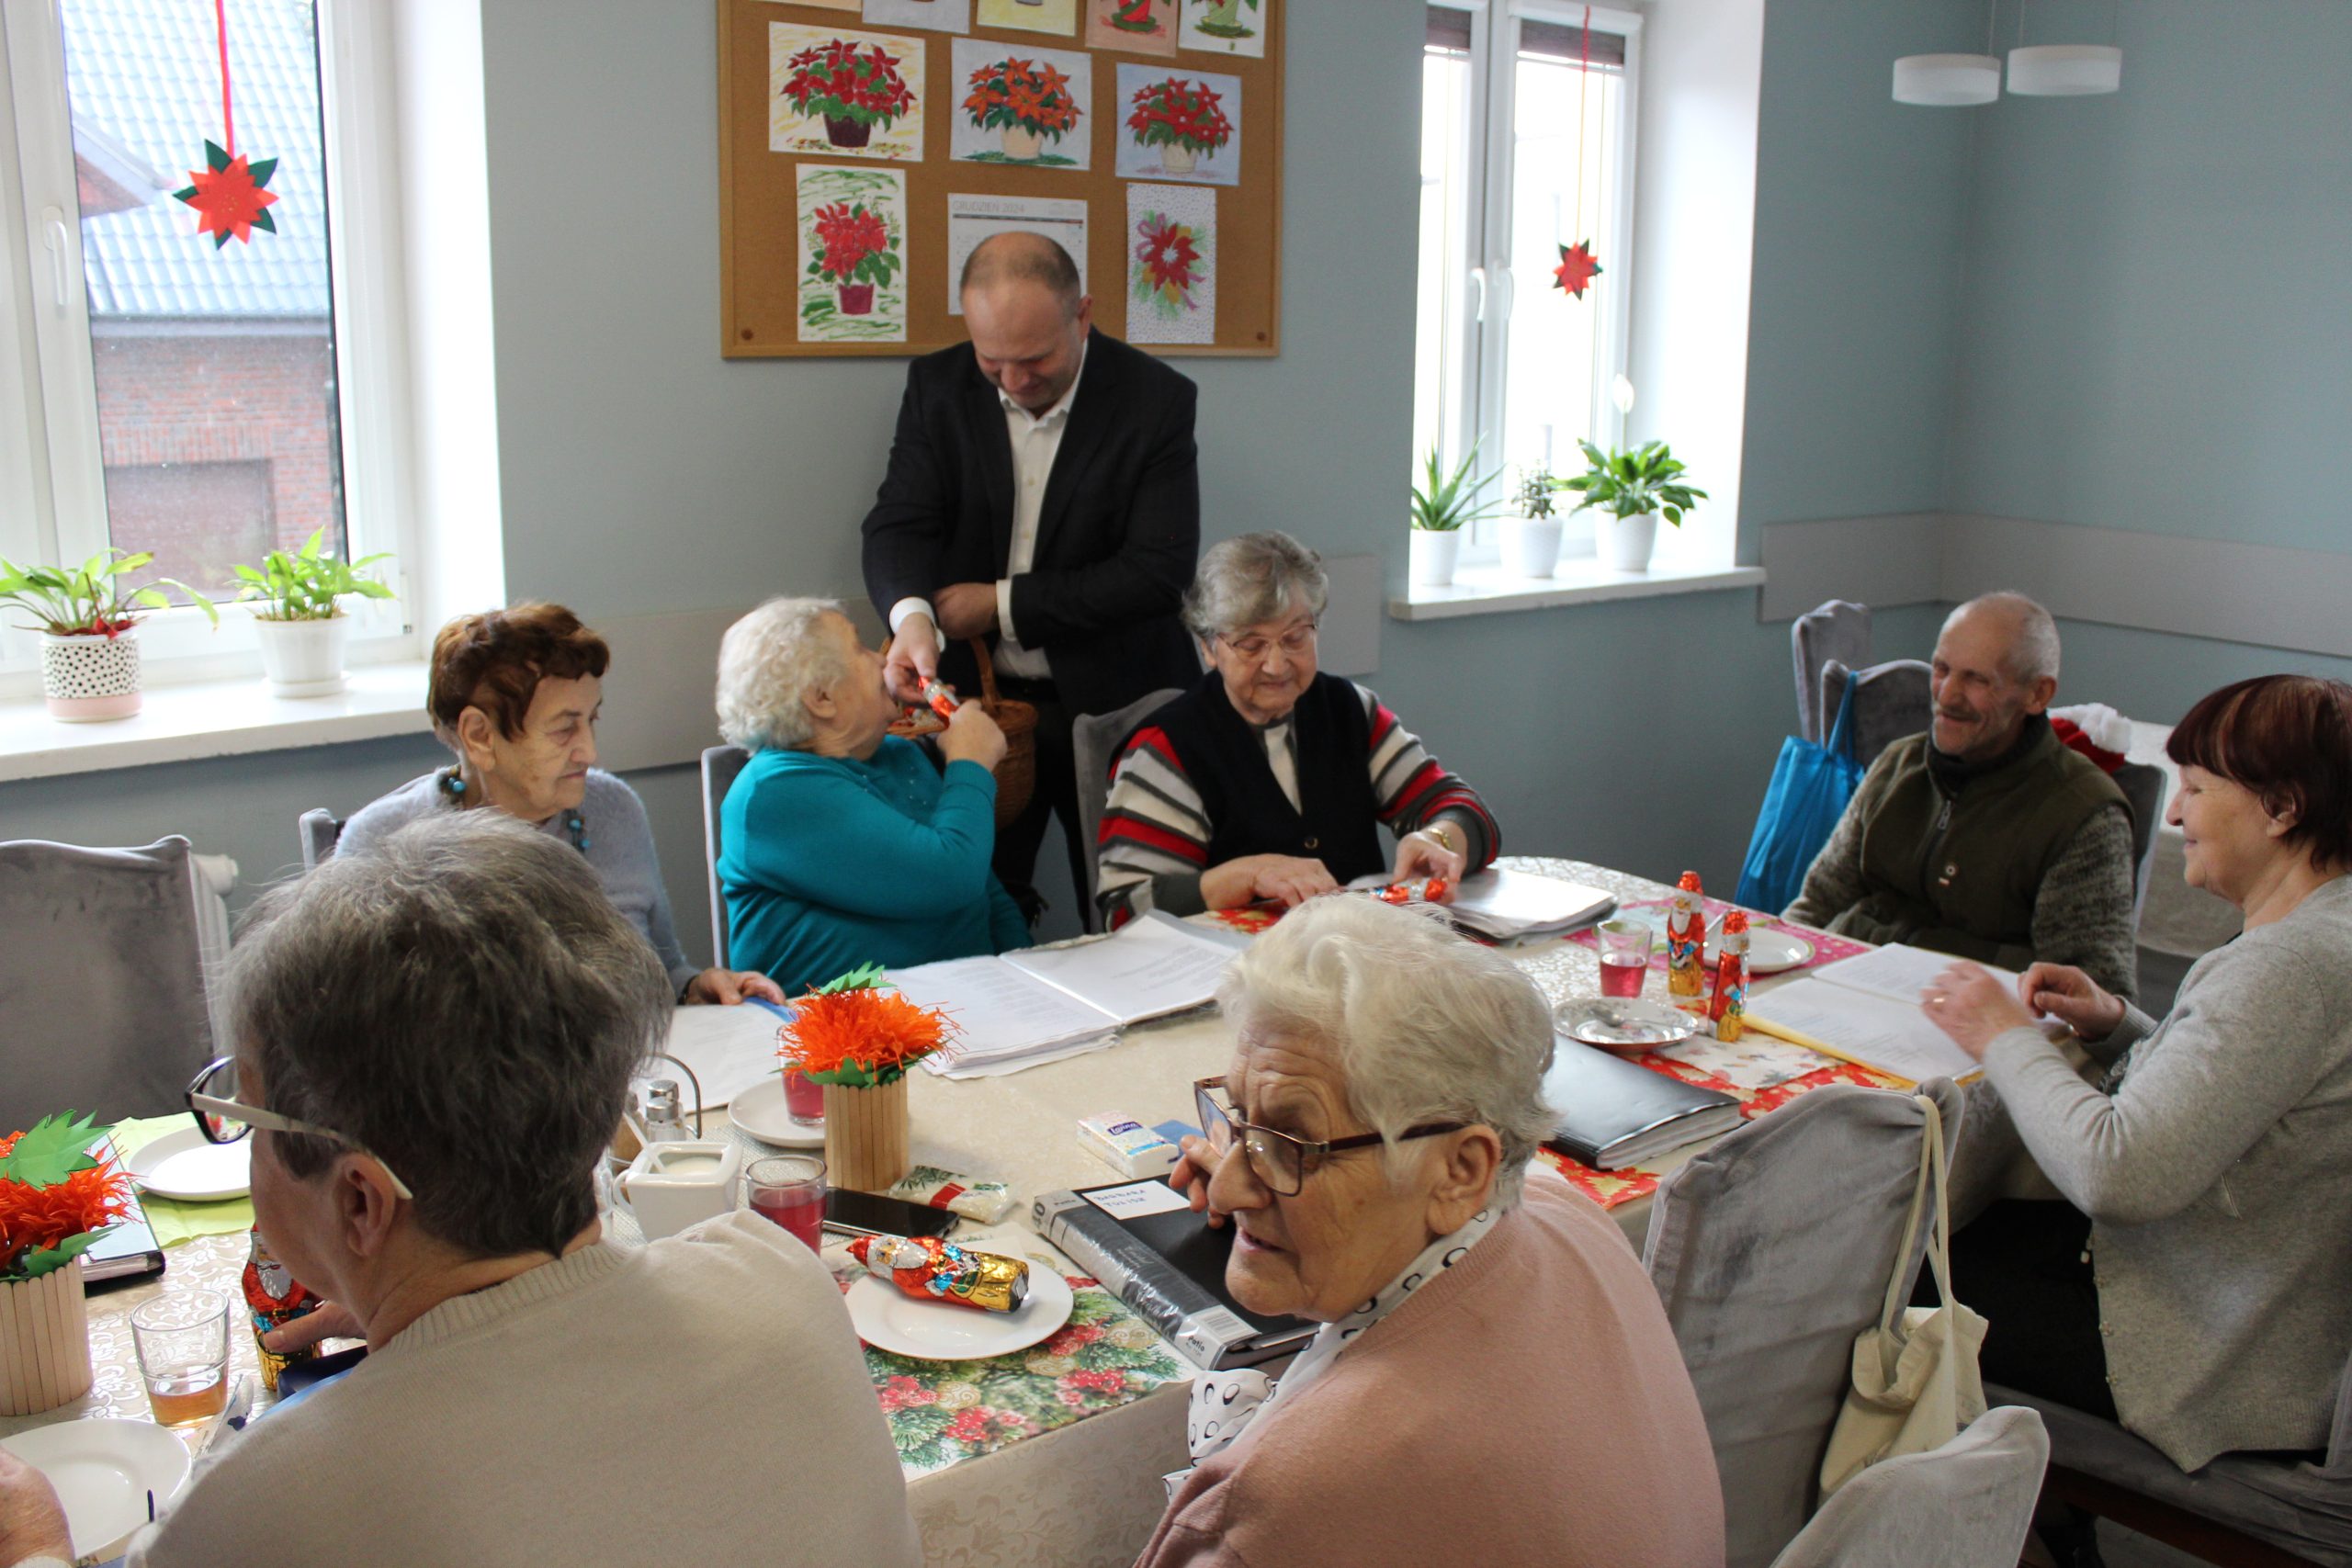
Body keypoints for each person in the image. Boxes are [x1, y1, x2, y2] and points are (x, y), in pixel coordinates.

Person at [0, 813, 923, 1567]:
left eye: (250, 1111)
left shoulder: (275, 1502)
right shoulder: (779, 1279)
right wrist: (433, 1297)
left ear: (361, 1202)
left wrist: (38, 1543)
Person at [1135, 897, 1723, 1568]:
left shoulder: (1284, 1507)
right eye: (1241, 1119)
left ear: (1461, 1170)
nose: (1233, 1185)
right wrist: (1270, 1154)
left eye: (1298, 1140)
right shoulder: (1572, 1215)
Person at [1919, 674, 2352, 1475]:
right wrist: (2122, 1029)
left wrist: (2003, 1034)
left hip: (2203, 1354)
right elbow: (2241, 1102)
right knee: (1956, 1232)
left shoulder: (2289, 967)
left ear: (2283, 807)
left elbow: (2117, 1172)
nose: (2177, 813)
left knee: (1887, 1266)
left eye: (2194, 787)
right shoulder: (2330, 933)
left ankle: (1932, 1520)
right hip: (2247, 1308)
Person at [862, 231, 1202, 924]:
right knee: (975, 910)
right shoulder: (938, 386)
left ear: (1083, 315)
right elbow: (898, 524)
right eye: (994, 361)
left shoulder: (1155, 399)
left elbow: (1157, 573)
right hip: (974, 707)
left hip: (1119, 704)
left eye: (1037, 359)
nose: (1015, 381)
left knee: (1135, 917)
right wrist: (914, 618)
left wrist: (1000, 605)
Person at [339, 602, 777, 1006]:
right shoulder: (379, 844)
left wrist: (693, 988)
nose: (589, 752)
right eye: (564, 730)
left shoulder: (613, 809)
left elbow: (663, 970)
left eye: (592, 720)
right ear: (479, 736)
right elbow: (351, 1028)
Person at [1095, 532, 1497, 930]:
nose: (1276, 664)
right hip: (1236, 982)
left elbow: (1466, 811)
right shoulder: (1167, 750)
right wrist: (1245, 876)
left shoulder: (1350, 710)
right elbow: (1126, 911)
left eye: (1294, 638)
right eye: (1251, 645)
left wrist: (1439, 840)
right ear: (1208, 648)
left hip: (1360, 962)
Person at [1785, 591, 2139, 998]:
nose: (1947, 695)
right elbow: (1815, 908)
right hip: (1838, 1001)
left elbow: (2094, 997)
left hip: (1977, 1037)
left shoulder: (2082, 814)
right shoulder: (1897, 766)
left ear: (2037, 694)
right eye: (1942, 669)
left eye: (1977, 679)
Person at [715, 596, 1028, 993]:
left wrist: (1025, 977)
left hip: (968, 1008)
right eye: (860, 648)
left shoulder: (896, 753)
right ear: (822, 698)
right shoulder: (775, 790)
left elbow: (986, 894)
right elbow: (949, 878)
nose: (882, 661)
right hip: (846, 1039)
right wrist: (970, 763)